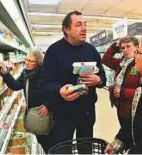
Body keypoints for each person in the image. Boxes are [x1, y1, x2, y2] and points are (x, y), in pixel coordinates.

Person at [41, 10, 106, 152]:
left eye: (85, 24)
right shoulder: (54, 51)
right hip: (63, 112)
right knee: (63, 148)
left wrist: (98, 79)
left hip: (87, 110)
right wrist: (59, 91)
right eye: (78, 25)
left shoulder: (91, 50)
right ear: (66, 29)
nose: (84, 28)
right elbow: (46, 82)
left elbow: (103, 76)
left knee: (86, 147)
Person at [0, 50, 52, 153]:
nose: (27, 62)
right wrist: (5, 73)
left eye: (30, 61)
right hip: (33, 113)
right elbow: (16, 86)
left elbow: (54, 91)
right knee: (41, 137)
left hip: (46, 112)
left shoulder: (46, 74)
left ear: (38, 62)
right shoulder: (25, 74)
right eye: (26, 60)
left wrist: (48, 105)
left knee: (49, 140)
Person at [102, 36, 141, 127]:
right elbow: (105, 60)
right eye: (123, 48)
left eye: (128, 46)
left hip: (134, 108)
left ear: (137, 47)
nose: (125, 50)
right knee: (124, 130)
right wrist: (115, 47)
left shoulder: (141, 64)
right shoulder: (120, 63)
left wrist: (123, 92)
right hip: (120, 106)